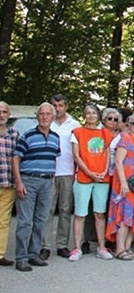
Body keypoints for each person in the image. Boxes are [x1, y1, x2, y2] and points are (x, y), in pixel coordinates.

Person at [13, 103, 60, 271]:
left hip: (47, 182)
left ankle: (33, 254)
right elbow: (16, 158)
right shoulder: (28, 135)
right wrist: (19, 182)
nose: (45, 117)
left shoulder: (55, 138)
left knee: (41, 220)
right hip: (29, 180)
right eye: (42, 114)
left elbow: (53, 159)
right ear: (37, 116)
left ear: (53, 117)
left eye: (48, 114)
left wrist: (52, 182)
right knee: (25, 221)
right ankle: (21, 257)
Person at [69, 103, 114, 261]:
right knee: (80, 213)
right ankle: (76, 247)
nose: (91, 116)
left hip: (102, 179)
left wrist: (104, 171)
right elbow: (77, 155)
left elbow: (108, 153)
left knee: (99, 213)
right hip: (83, 178)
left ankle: (102, 247)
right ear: (84, 115)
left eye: (94, 113)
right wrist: (89, 173)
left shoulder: (104, 133)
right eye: (88, 113)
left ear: (98, 116)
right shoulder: (77, 132)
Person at [43, 94, 79, 260]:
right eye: (54, 106)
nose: (57, 109)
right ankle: (45, 245)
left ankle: (62, 244)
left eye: (60, 106)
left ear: (66, 106)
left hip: (67, 172)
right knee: (47, 210)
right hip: (49, 172)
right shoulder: (45, 123)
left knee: (65, 209)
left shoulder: (74, 125)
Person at [107, 113, 134, 260]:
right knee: (125, 216)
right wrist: (123, 183)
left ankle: (127, 247)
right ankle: (119, 248)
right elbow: (118, 162)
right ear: (129, 124)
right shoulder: (125, 138)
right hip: (126, 183)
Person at [0, 102, 19, 266]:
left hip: (7, 184)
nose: (1, 115)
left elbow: (18, 159)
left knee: (4, 221)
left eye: (4, 112)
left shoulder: (14, 134)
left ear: (9, 114)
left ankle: (0, 254)